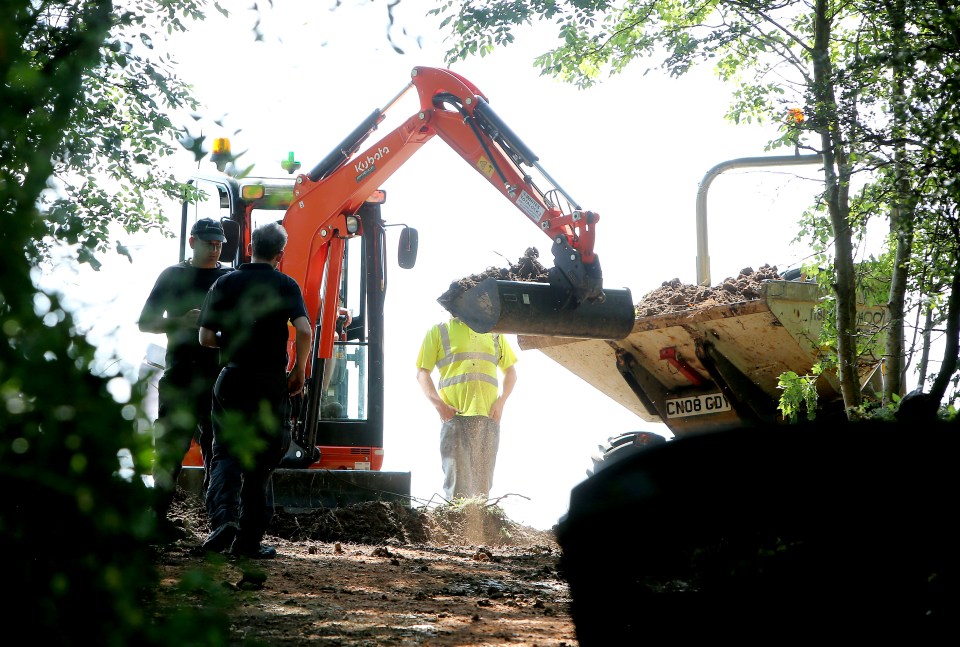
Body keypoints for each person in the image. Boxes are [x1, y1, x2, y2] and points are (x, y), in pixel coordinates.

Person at [198, 221, 312, 559]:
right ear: (280, 254)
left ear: (250, 247)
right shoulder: (286, 284)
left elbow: (204, 337)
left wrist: (230, 340)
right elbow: (304, 331)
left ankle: (222, 522)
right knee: (263, 460)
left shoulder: (225, 282)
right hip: (270, 380)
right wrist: (299, 370)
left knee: (226, 453)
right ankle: (248, 542)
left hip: (232, 378)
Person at [137, 217, 233, 536]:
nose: (214, 249)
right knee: (169, 449)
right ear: (192, 242)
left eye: (219, 244)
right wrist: (180, 322)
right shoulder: (173, 275)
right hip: (179, 377)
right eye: (209, 243)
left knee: (217, 451)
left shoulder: (230, 277)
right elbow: (145, 323)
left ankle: (219, 524)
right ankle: (156, 520)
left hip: (219, 380)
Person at [415, 315, 518, 501]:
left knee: (482, 488)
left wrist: (501, 402)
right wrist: (440, 406)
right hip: (456, 418)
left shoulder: (493, 333)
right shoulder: (440, 331)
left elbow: (510, 371)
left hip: (488, 418)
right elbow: (422, 373)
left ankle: (481, 526)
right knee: (458, 487)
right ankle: (457, 524)